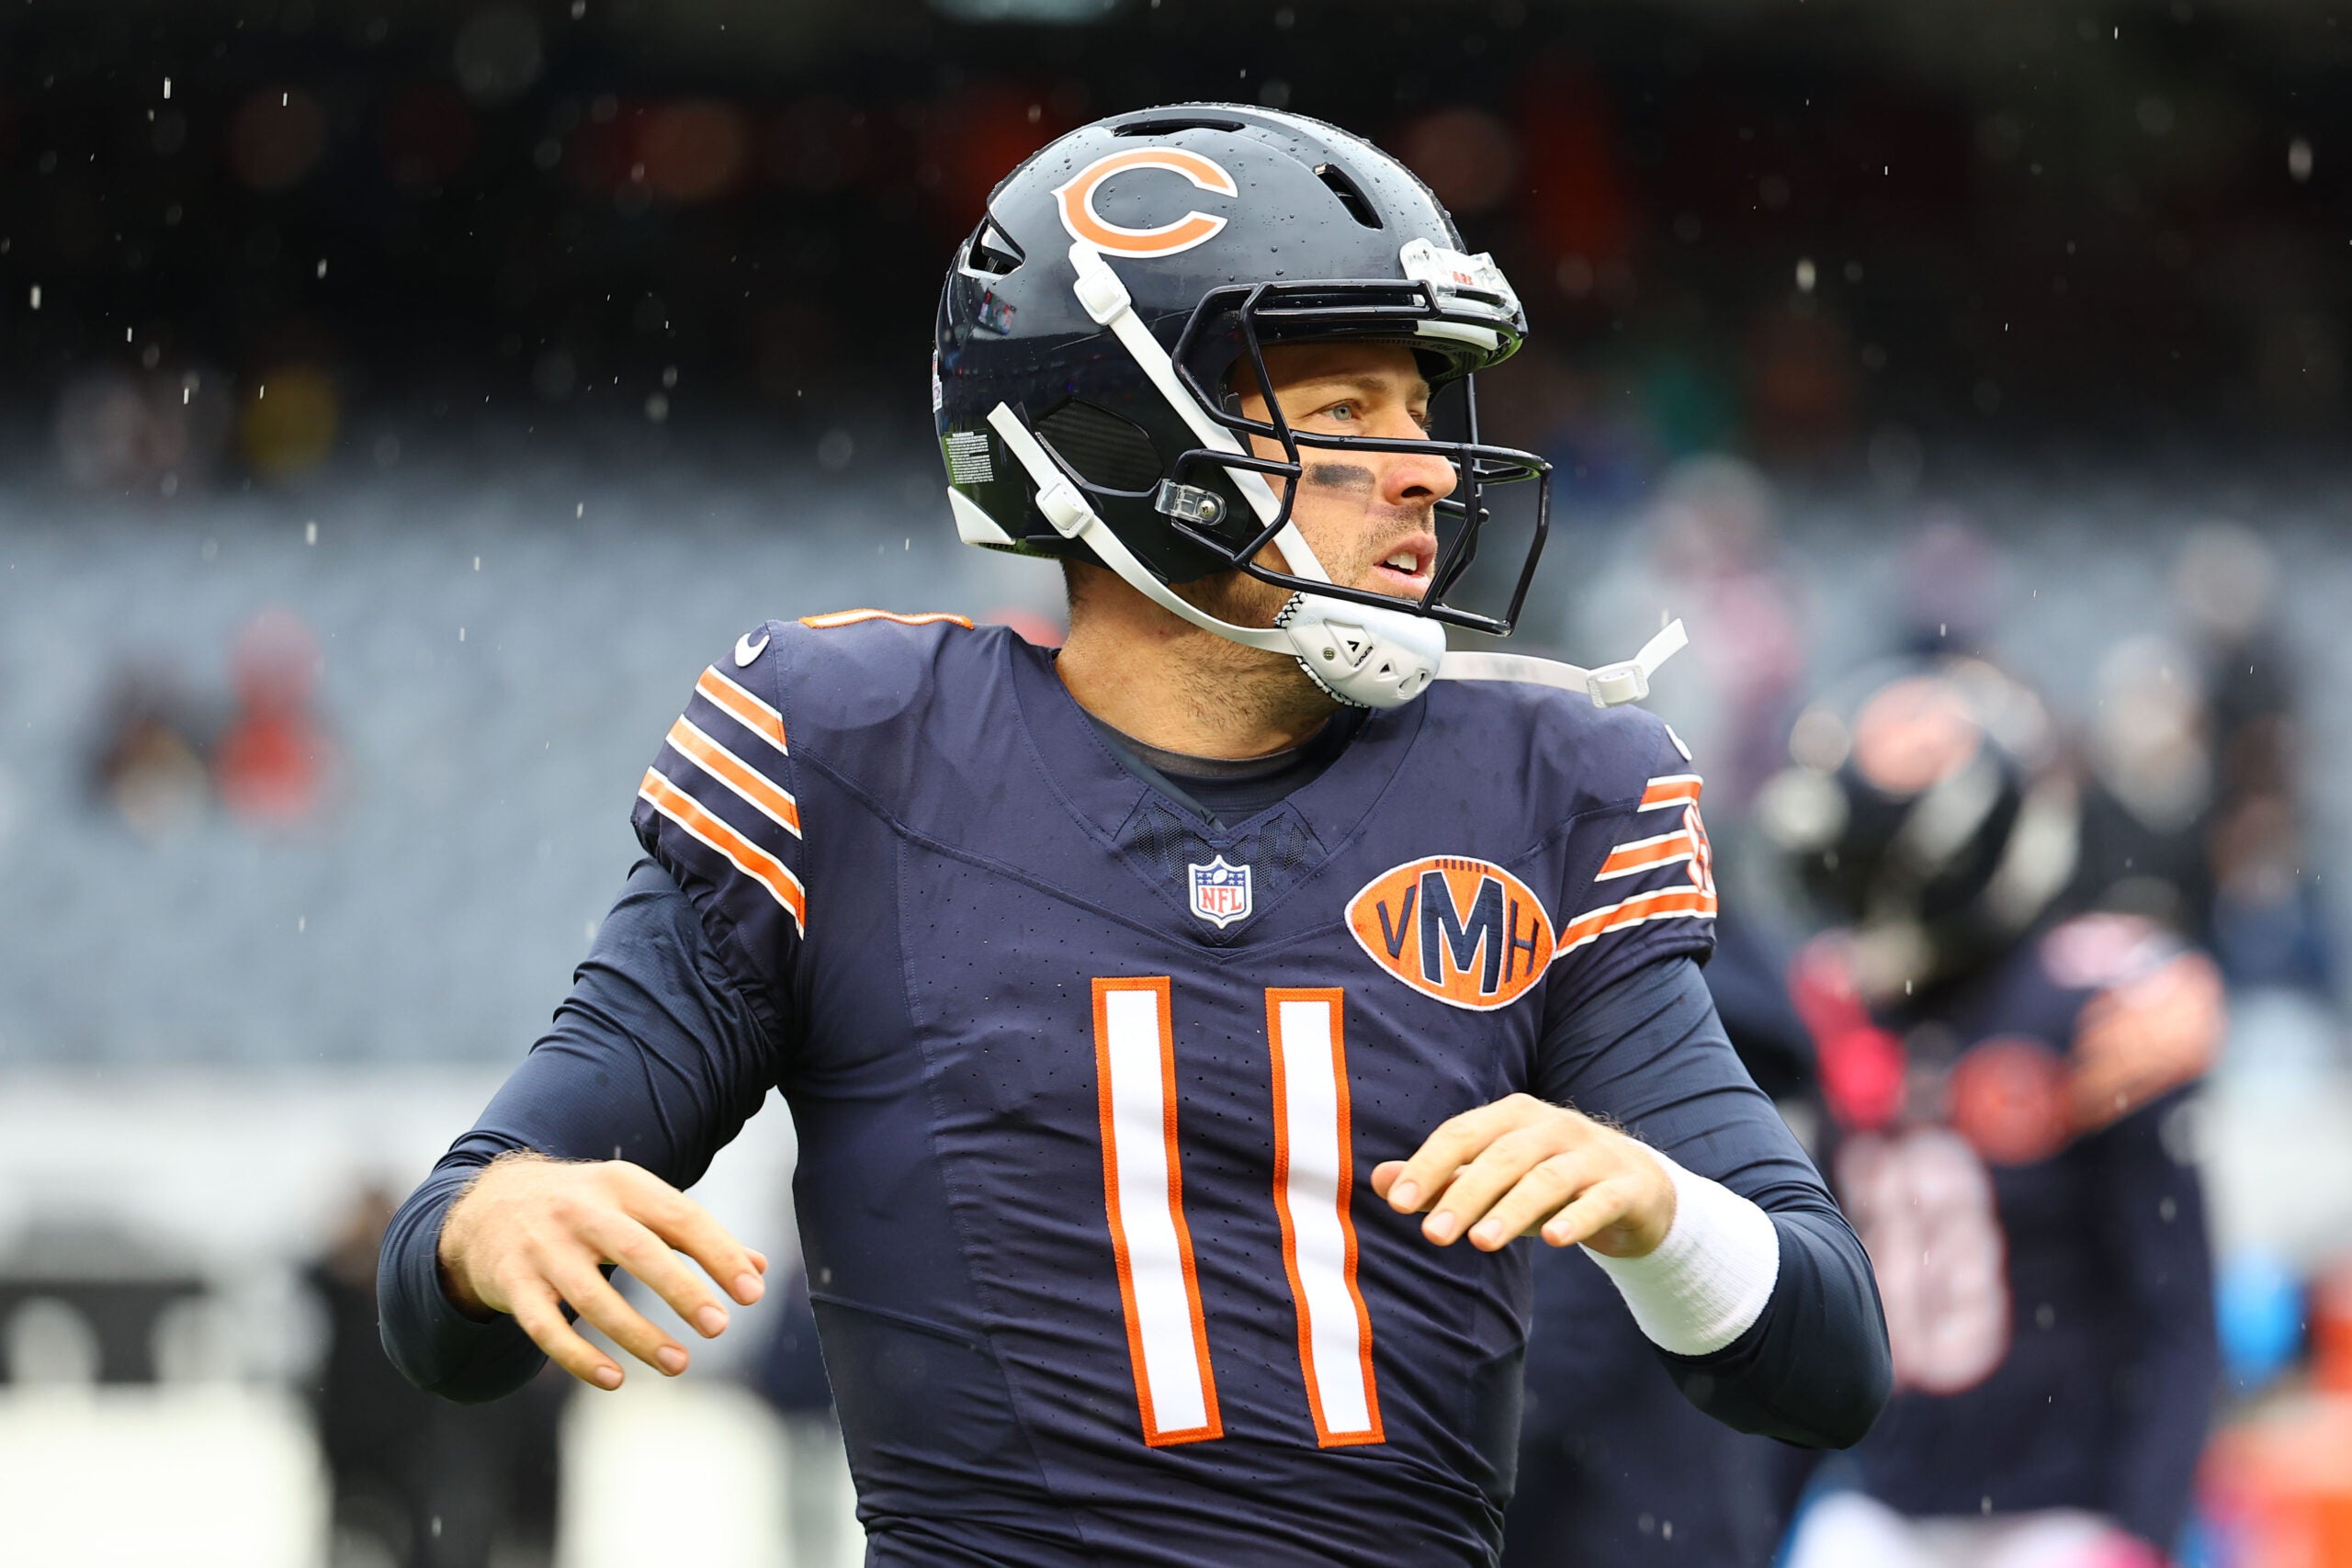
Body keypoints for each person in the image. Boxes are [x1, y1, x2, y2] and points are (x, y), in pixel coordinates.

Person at [380, 105, 1889, 1567]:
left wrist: (1658, 1215)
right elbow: (448, 1273)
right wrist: (488, 1222)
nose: (1425, 463)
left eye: (1422, 408)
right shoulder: (851, 751)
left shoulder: (1548, 783)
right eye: (1346, 410)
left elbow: (1824, 1350)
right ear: (1111, 427)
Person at [1755, 656, 2222, 1568]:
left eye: (1882, 870)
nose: (1860, 910)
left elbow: (2174, 1312)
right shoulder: (1820, 1006)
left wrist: (2142, 1530)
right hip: (1882, 1500)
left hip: (2061, 1509)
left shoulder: (2101, 1010)